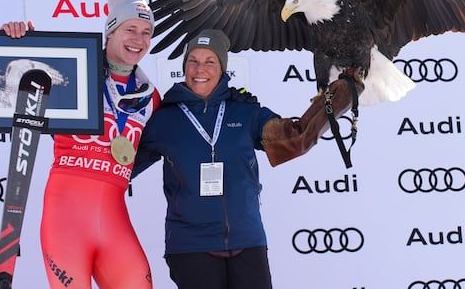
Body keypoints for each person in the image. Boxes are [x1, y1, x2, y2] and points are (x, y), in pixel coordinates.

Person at [131, 29, 364, 289]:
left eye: (210, 62)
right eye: (193, 61)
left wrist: (342, 92)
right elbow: (120, 167)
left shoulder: (246, 112)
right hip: (191, 246)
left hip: (247, 242)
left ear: (222, 69)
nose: (200, 69)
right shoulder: (164, 120)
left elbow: (296, 139)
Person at [2, 0, 159, 288]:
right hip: (66, 222)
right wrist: (19, 41)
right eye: (130, 29)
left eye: (146, 31)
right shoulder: (70, 74)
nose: (139, 39)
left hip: (114, 223)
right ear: (110, 31)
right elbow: (13, 79)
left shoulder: (150, 98)